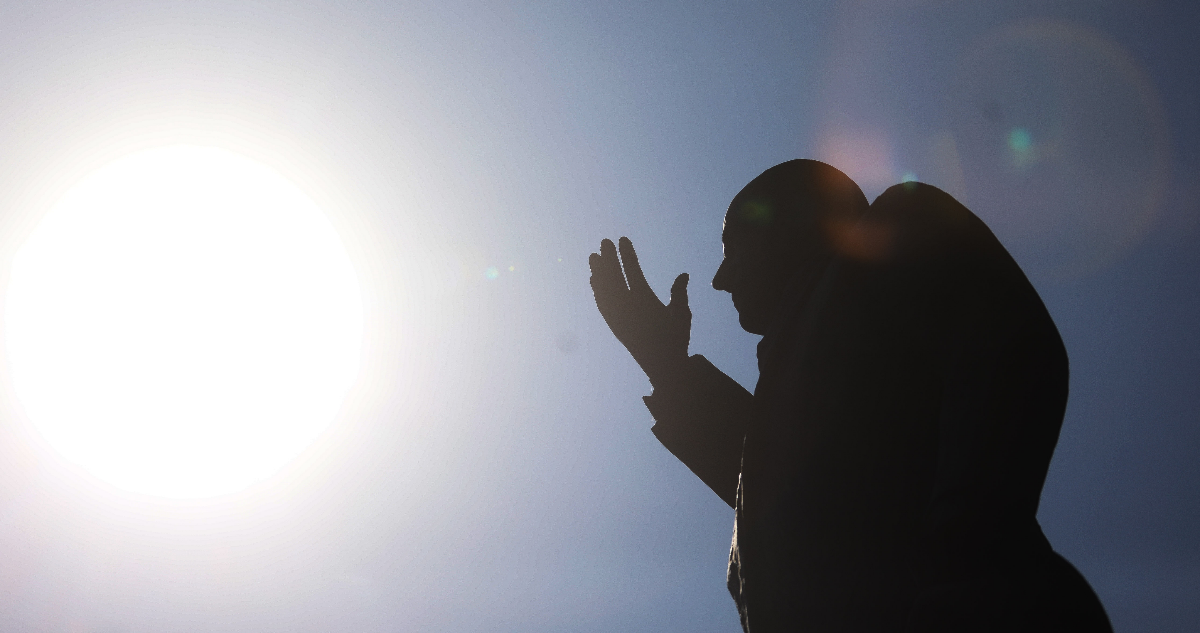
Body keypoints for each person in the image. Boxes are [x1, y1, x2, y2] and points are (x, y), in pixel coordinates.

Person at [589, 159, 1112, 632]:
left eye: (734, 250)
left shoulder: (898, 233)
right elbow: (794, 499)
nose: (721, 279)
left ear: (791, 228)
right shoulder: (798, 375)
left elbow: (1009, 350)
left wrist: (964, 546)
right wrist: (666, 366)